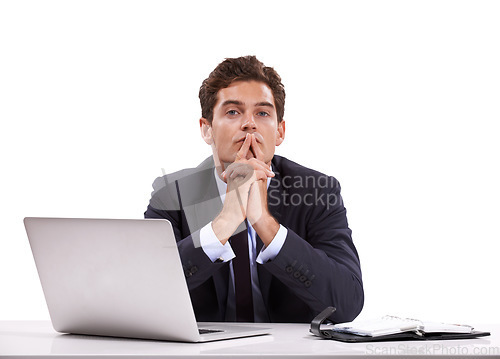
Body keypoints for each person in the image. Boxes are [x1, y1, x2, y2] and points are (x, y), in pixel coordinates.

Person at [145, 56, 363, 323]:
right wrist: (223, 225)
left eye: (262, 113)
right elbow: (144, 294)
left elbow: (348, 302)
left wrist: (266, 225)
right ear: (207, 130)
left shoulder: (318, 191)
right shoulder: (171, 196)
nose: (249, 123)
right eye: (233, 112)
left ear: (279, 132)